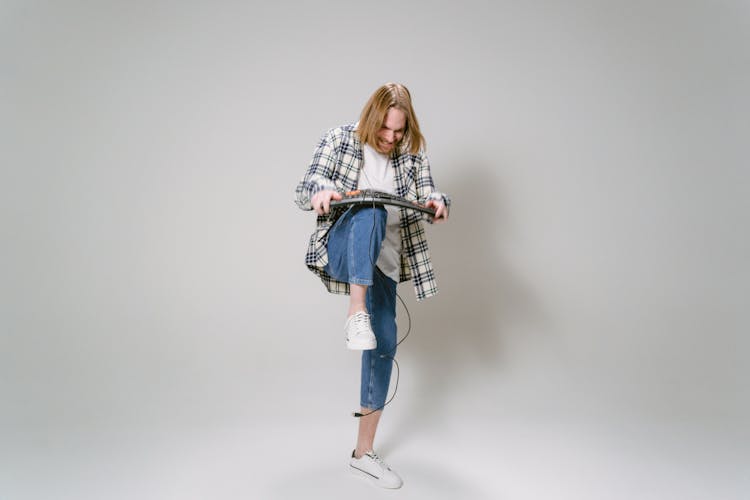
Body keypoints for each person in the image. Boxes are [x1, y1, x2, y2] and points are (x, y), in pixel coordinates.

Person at [294, 82, 450, 489]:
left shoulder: (411, 156)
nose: (390, 137)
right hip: (346, 246)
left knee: (384, 347)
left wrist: (437, 201)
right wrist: (322, 192)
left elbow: (428, 189)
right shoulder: (340, 139)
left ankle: (363, 454)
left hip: (385, 261)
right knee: (372, 208)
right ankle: (355, 312)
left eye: (398, 131)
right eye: (385, 128)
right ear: (371, 117)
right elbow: (307, 184)